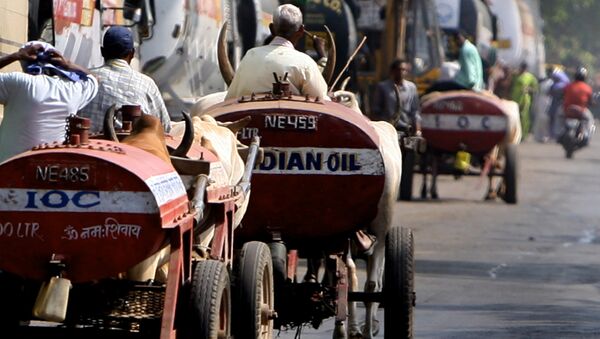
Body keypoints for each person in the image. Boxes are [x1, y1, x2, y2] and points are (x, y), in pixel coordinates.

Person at [0, 41, 98, 162]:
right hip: (50, 170)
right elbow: (95, 79)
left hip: (9, 168)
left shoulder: (18, 82)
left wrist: (15, 56)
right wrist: (68, 64)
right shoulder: (74, 90)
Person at [225, 4, 329, 100]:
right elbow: (321, 101)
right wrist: (322, 54)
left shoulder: (250, 56)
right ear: (301, 30)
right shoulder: (305, 62)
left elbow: (231, 99)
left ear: (271, 29)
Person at [82, 26, 171, 133]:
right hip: (135, 147)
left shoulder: (85, 78)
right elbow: (165, 128)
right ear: (132, 53)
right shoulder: (146, 84)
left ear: (102, 51)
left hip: (88, 144)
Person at [371, 59, 421, 134]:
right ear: (392, 71)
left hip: (406, 128)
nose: (401, 72)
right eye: (399, 69)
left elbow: (415, 111)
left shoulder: (411, 88)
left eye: (404, 70)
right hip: (387, 128)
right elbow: (376, 110)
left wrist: (417, 130)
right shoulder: (383, 87)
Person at [561, 66, 595, 139]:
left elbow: (562, 95)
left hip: (568, 110)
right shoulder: (587, 88)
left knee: (558, 116)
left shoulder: (568, 86)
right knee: (590, 119)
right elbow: (590, 100)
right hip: (581, 111)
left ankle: (558, 133)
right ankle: (586, 135)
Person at [510, 61, 538, 136]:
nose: (522, 70)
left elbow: (535, 89)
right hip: (514, 99)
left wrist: (529, 89)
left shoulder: (530, 77)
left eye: (524, 68)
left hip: (524, 100)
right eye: (521, 68)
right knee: (515, 117)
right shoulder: (515, 75)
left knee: (524, 117)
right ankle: (514, 133)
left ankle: (523, 134)